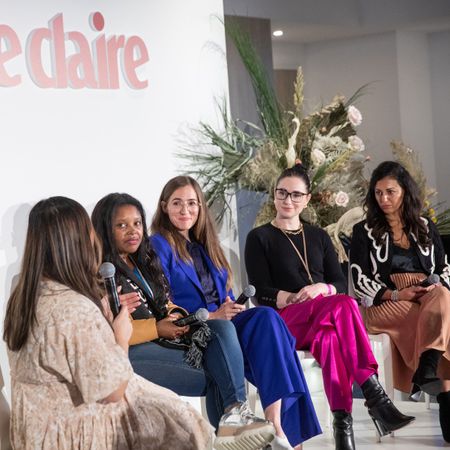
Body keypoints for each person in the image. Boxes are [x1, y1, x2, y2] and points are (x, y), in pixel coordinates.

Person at [3, 196, 213, 450]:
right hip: (75, 430)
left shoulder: (23, 298)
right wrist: (120, 336)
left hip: (36, 430)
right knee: (180, 422)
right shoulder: (73, 308)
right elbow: (111, 390)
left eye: (136, 223)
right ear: (78, 243)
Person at [244, 163, 415, 450]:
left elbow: (336, 280)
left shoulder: (319, 236)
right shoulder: (259, 237)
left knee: (331, 338)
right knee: (345, 304)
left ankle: (342, 428)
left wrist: (320, 289)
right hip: (286, 321)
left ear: (307, 199)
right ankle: (374, 394)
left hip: (326, 316)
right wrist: (296, 296)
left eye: (296, 195)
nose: (288, 200)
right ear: (274, 195)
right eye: (282, 193)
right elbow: (260, 291)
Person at [92, 193, 275, 450]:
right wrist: (157, 327)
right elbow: (107, 331)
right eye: (121, 225)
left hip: (163, 344)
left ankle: (236, 419)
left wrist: (176, 315)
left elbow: (163, 302)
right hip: (129, 353)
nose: (132, 231)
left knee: (220, 327)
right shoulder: (101, 273)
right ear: (104, 229)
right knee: (219, 372)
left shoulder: (141, 261)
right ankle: (238, 427)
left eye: (137, 223)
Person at [150, 176, 322, 450]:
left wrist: (232, 304)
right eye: (177, 203)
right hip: (197, 327)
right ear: (164, 207)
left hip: (225, 322)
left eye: (192, 203)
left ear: (201, 207)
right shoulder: (159, 244)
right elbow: (163, 301)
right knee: (269, 338)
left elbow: (223, 294)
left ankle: (274, 423)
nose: (185, 210)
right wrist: (213, 314)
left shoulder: (207, 246)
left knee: (268, 319)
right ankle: (281, 433)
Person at [350, 160, 450, 443]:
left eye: (390, 192)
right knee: (437, 319)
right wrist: (396, 293)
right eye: (378, 192)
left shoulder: (426, 227)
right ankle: (443, 389)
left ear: (405, 191)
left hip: (426, 296)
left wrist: (431, 286)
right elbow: (359, 279)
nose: (384, 199)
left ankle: (428, 368)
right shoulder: (364, 231)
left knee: (442, 297)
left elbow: (444, 270)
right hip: (384, 302)